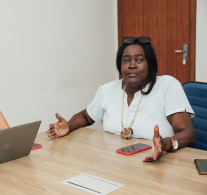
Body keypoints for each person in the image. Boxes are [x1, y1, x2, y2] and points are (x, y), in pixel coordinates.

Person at [46, 36, 196, 162]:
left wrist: (165, 143)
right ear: (120, 65)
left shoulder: (167, 85)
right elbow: (86, 116)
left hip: (159, 165)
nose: (132, 65)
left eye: (139, 60)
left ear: (149, 64)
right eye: (126, 60)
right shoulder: (107, 89)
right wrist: (69, 126)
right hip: (114, 163)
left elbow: (188, 133)